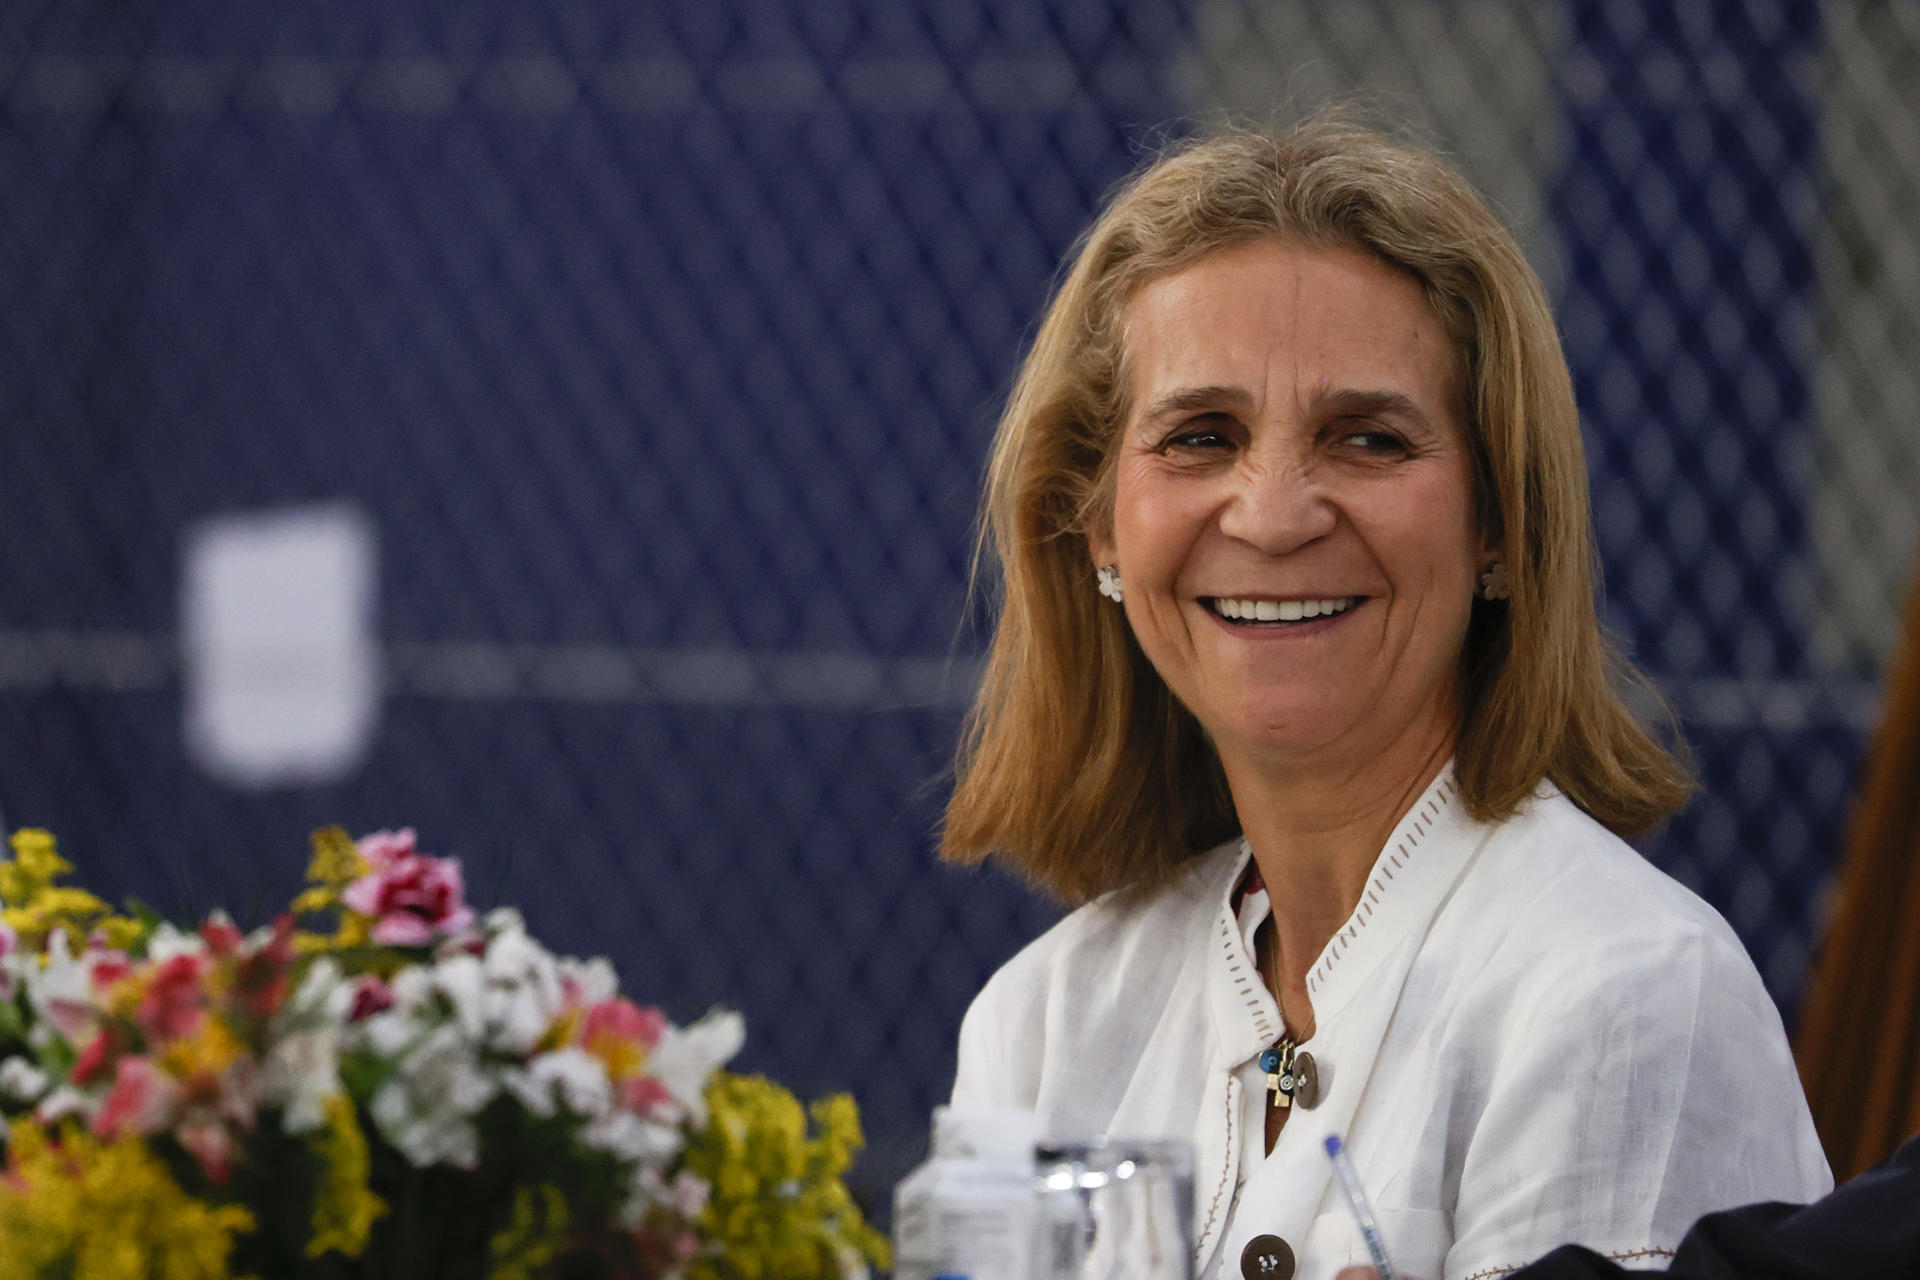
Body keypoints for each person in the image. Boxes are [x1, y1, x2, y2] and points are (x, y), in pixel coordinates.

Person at [940, 111, 1832, 1280]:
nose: (1272, 511)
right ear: (1098, 522)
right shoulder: (1041, 1022)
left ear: (1502, 524)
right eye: (1201, 436)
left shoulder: (1625, 993)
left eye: (1366, 438)